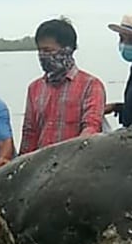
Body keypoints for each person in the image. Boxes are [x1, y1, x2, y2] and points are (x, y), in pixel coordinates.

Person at [19, 17, 106, 155]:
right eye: (40, 50)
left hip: (74, 163)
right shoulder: (34, 88)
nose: (42, 55)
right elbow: (30, 133)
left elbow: (91, 128)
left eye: (48, 50)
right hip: (40, 165)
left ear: (67, 50)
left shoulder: (91, 85)